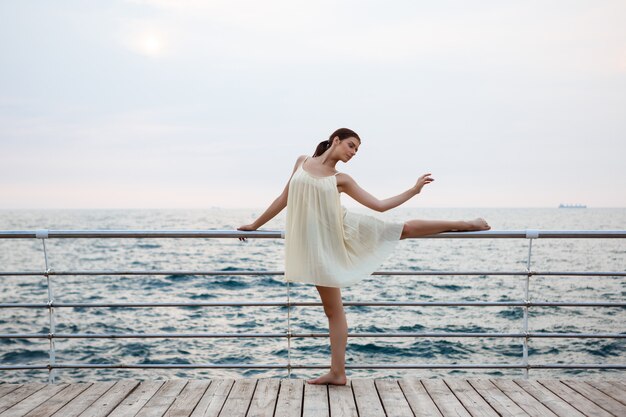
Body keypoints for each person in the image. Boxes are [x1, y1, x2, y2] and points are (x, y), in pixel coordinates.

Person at [238, 128, 490, 386]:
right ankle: (337, 373)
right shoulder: (301, 161)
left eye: (357, 150)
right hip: (317, 245)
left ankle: (466, 223)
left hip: (341, 231)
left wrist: (413, 191)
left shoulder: (341, 178)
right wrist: (255, 225)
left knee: (400, 230)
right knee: (332, 310)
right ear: (335, 140)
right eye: (351, 145)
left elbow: (379, 206)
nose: (353, 152)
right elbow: (285, 197)